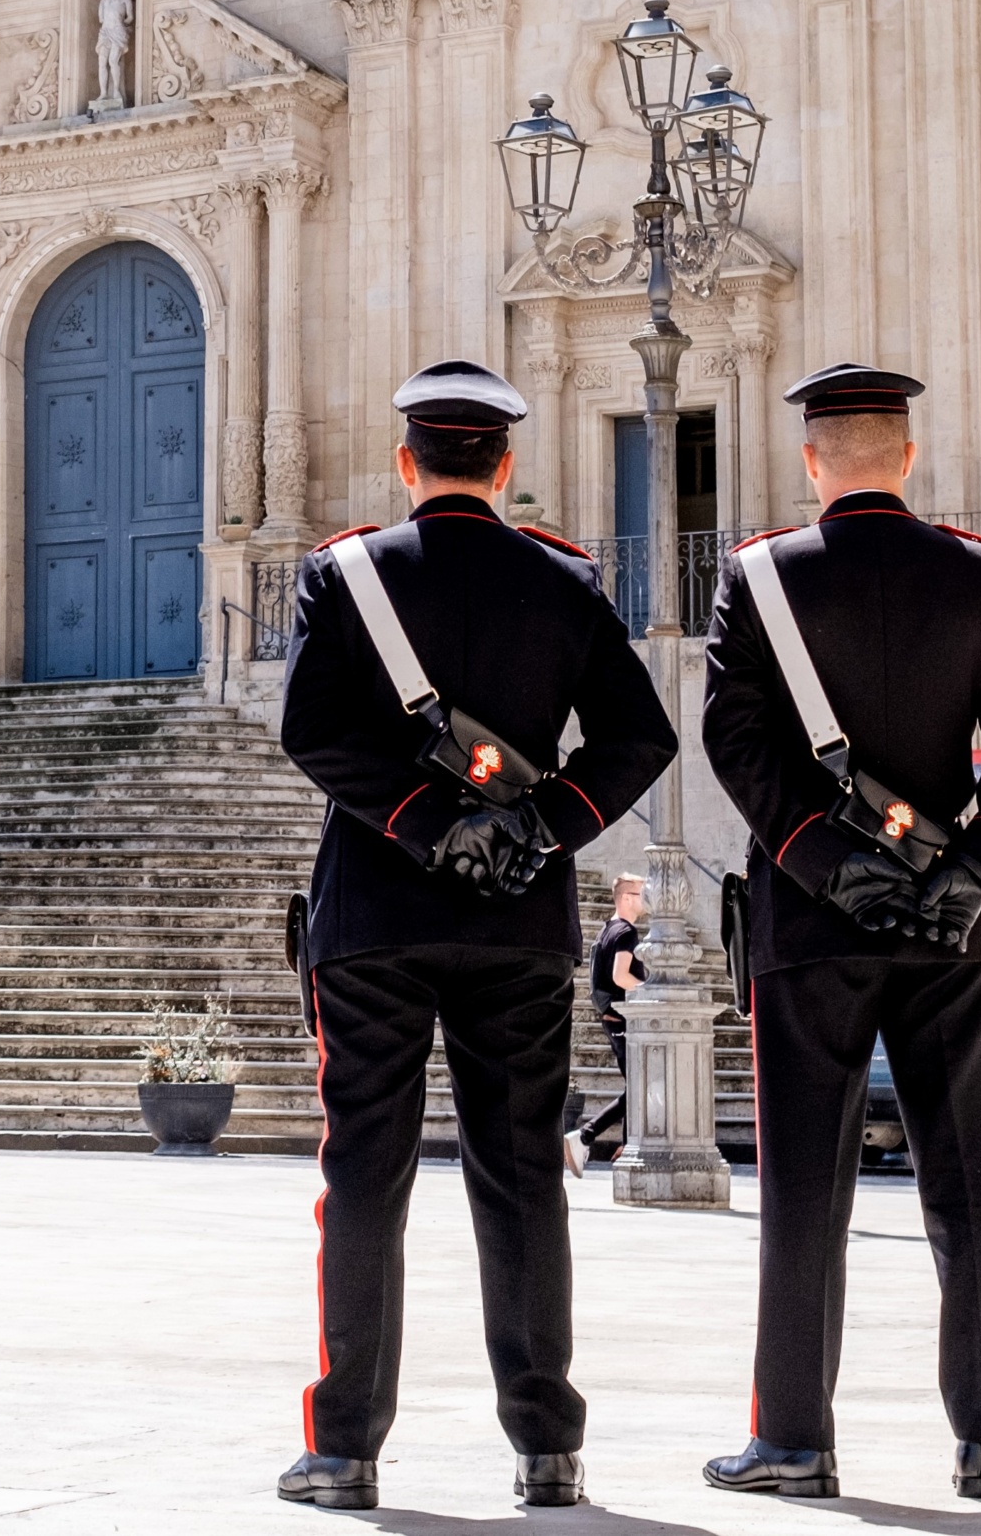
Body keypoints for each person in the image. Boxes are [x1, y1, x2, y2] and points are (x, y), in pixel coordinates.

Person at [276, 362, 680, 1513]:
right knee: (521, 1181)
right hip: (518, 925)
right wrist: (536, 831)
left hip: (373, 923)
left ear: (406, 463)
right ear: (503, 467)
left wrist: (418, 824)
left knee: (363, 1177)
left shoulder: (344, 573)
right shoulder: (561, 579)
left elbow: (311, 729)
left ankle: (344, 1449)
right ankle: (546, 1448)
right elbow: (637, 738)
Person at [698, 365, 981, 1502]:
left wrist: (824, 864)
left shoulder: (757, 579)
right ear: (904, 458)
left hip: (809, 927)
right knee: (970, 1189)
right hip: (947, 927)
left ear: (812, 462)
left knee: (805, 1187)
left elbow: (738, 747)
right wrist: (977, 870)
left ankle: (796, 1444)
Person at [566, 874, 647, 1174]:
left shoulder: (608, 930)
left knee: (636, 1086)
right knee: (639, 1087)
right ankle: (584, 1136)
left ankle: (626, 1145)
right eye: (640, 893)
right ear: (626, 897)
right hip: (623, 1020)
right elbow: (619, 976)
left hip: (611, 1019)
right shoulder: (626, 932)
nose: (644, 899)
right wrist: (651, 988)